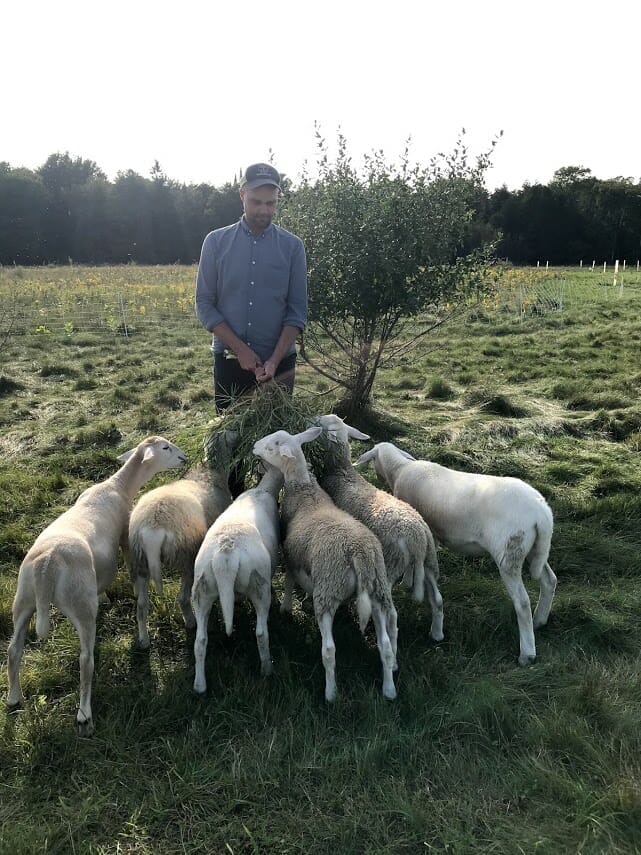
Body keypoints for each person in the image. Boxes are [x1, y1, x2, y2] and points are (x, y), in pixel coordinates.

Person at [195, 162, 308, 413]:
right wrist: (241, 350)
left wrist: (274, 361)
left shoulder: (292, 247)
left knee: (278, 444)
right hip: (230, 361)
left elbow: (297, 310)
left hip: (279, 365)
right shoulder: (215, 242)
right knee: (228, 439)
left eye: (271, 203)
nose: (264, 210)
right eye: (257, 202)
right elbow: (204, 303)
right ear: (242, 196)